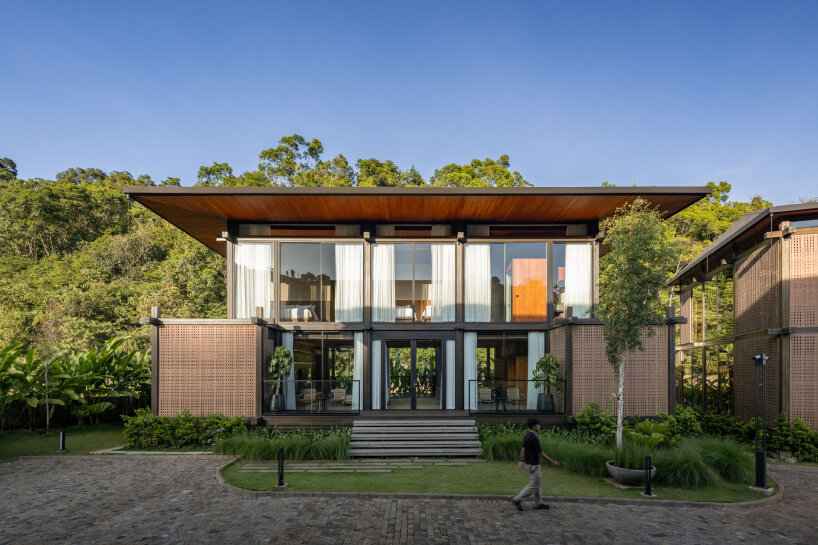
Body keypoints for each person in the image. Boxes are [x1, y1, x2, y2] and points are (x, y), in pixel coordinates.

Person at [511, 418, 559, 511]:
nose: (539, 426)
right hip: (534, 465)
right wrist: (552, 461)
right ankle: (517, 499)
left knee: (538, 483)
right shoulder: (534, 438)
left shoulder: (527, 435)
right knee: (534, 484)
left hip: (529, 463)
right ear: (534, 426)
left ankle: (539, 503)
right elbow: (540, 453)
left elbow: (523, 447)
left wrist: (521, 461)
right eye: (538, 425)